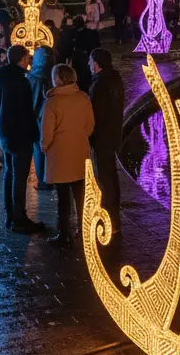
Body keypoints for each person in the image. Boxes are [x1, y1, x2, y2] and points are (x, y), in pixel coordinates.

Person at [0, 44, 44, 234]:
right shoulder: (21, 82)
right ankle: (19, 219)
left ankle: (11, 215)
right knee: (19, 177)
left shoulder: (0, 79)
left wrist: (1, 125)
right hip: (20, 135)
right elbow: (26, 111)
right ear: (21, 59)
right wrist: (32, 133)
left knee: (10, 174)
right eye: (27, 58)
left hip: (5, 134)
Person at [40, 63, 95, 247]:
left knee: (63, 199)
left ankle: (65, 233)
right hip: (79, 153)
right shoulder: (83, 98)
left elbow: (47, 132)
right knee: (80, 194)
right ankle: (84, 228)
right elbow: (90, 126)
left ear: (58, 79)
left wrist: (44, 146)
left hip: (60, 155)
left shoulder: (52, 102)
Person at [89, 48, 124, 232]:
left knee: (104, 174)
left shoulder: (99, 84)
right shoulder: (115, 79)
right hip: (114, 133)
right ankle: (114, 209)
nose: (88, 65)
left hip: (102, 135)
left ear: (96, 63)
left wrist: (90, 132)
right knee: (111, 172)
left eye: (90, 61)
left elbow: (96, 114)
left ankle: (109, 213)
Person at [27, 45, 56, 188]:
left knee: (38, 148)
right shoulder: (54, 76)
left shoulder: (31, 78)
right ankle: (50, 178)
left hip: (36, 117)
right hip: (50, 117)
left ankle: (43, 180)